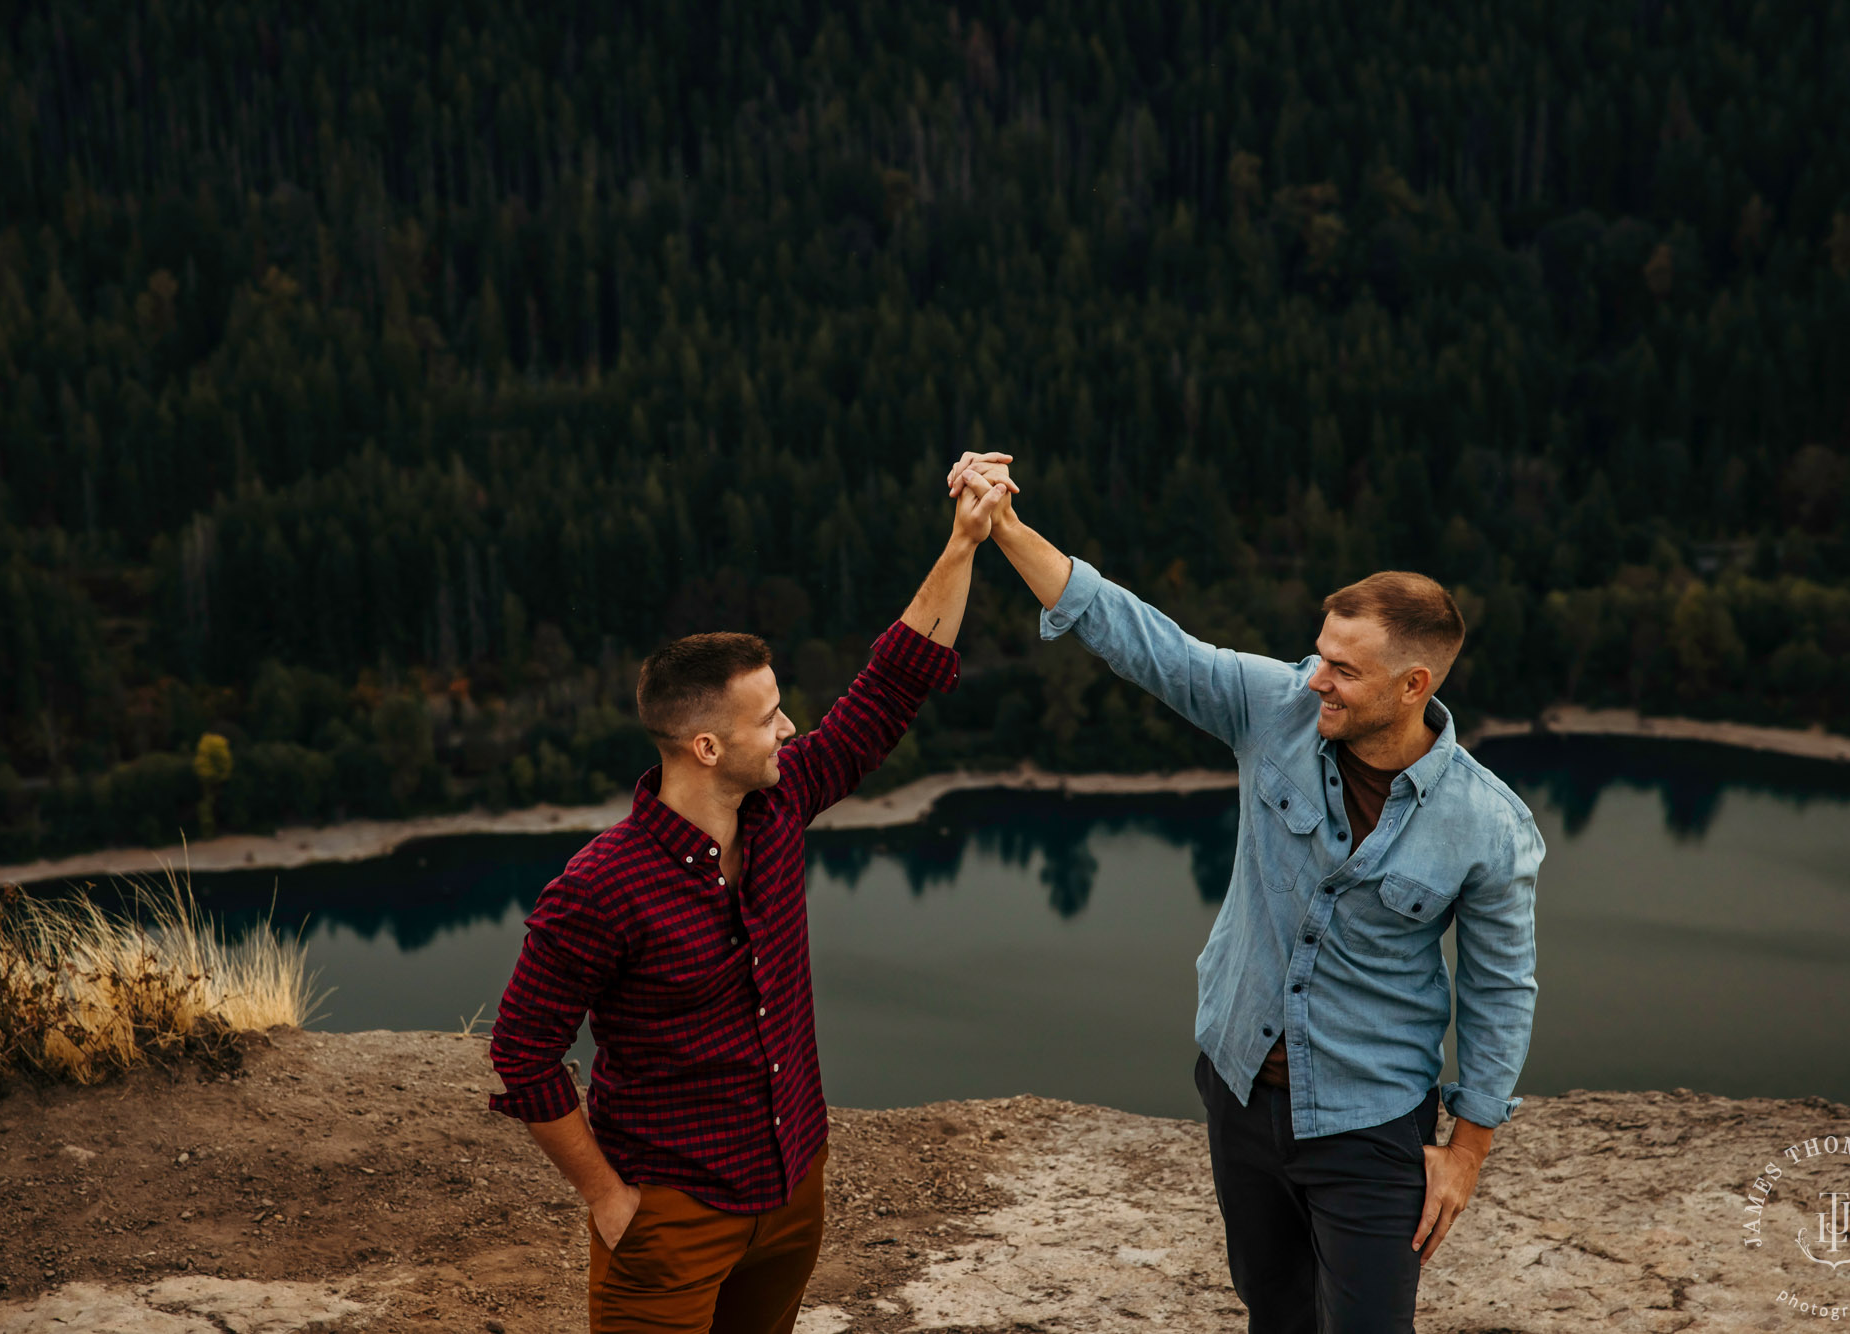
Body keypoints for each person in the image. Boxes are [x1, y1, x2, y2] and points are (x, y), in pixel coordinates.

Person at [948, 455, 1542, 1334]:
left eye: (1343, 669)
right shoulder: (1277, 708)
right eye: (1321, 654)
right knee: (1274, 1311)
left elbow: (1501, 990)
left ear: (1413, 687)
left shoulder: (1489, 824)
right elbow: (1137, 635)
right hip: (1239, 1093)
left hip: (1372, 1119)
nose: (1316, 678)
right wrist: (1001, 528)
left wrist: (1467, 1150)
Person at [485, 468, 1015, 1333]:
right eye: (768, 717)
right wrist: (609, 1199)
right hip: (672, 1219)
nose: (790, 730)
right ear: (703, 746)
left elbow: (890, 687)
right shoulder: (601, 886)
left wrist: (962, 544)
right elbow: (522, 1053)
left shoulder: (777, 804)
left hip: (792, 1194)